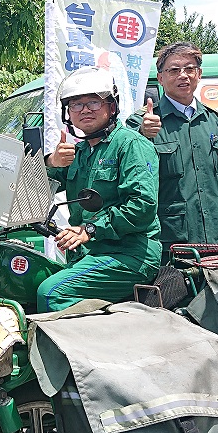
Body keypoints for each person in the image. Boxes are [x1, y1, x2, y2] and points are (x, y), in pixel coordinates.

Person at [38, 66, 161, 312]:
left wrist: (90, 230)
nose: (84, 110)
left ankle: (79, 351)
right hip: (89, 255)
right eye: (75, 104)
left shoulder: (130, 144)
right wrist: (51, 161)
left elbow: (142, 206)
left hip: (127, 255)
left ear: (112, 107)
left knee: (51, 293)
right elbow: (39, 188)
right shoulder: (79, 153)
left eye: (93, 102)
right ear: (67, 113)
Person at [128, 41, 218, 254]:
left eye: (189, 69)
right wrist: (142, 136)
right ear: (160, 78)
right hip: (169, 242)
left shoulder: (212, 120)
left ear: (199, 74)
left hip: (216, 237)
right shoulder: (141, 122)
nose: (183, 75)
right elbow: (127, 177)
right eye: (174, 70)